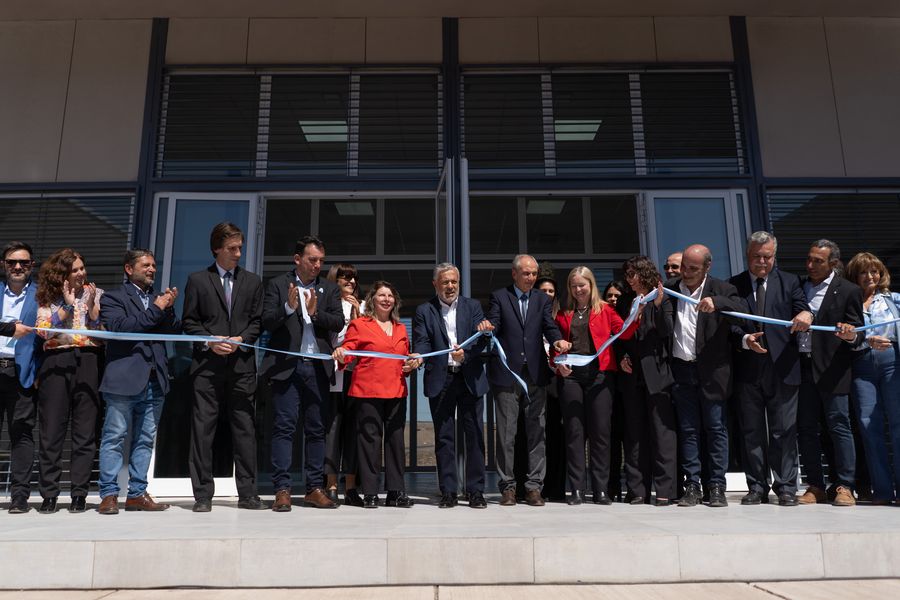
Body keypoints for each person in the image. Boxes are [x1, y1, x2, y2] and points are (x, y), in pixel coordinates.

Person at [182, 222, 265, 512]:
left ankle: (248, 494)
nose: (238, 253)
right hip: (207, 368)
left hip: (242, 367)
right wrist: (209, 342)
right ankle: (203, 495)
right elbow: (189, 322)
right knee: (203, 431)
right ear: (217, 248)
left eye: (241, 248)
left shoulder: (253, 282)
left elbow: (257, 321)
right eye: (232, 248)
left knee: (244, 430)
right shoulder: (197, 280)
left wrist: (242, 339)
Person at [478, 255, 570, 507]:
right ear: (514, 274)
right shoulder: (500, 296)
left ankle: (533, 488)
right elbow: (495, 323)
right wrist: (487, 326)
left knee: (536, 433)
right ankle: (507, 487)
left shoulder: (542, 299)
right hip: (507, 374)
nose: (531, 278)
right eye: (526, 273)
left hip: (536, 374)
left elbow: (549, 327)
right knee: (507, 434)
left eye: (534, 274)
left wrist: (558, 340)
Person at [728, 232, 812, 507]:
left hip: (783, 368)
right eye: (756, 257)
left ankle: (787, 487)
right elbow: (729, 324)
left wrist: (805, 314)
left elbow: (804, 309)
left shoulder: (790, 282)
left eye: (767, 256)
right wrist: (744, 339)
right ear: (747, 255)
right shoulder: (734, 284)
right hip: (748, 368)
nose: (762, 262)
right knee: (752, 431)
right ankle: (756, 487)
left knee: (784, 430)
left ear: (775, 256)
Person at [261, 235, 344, 512]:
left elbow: (338, 321)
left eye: (321, 260)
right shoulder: (276, 284)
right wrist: (289, 308)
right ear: (297, 259)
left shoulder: (329, 289)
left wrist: (315, 313)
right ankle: (282, 490)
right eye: (312, 260)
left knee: (316, 430)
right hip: (287, 366)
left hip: (317, 367)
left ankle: (314, 488)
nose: (317, 265)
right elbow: (266, 321)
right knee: (284, 428)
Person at [96, 249, 179, 515]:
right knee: (114, 437)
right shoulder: (113, 297)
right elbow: (123, 328)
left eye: (154, 265)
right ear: (129, 269)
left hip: (155, 379)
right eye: (146, 265)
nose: (152, 269)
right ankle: (109, 494)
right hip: (124, 379)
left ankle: (137, 493)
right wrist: (157, 309)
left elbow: (173, 332)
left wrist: (168, 309)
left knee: (145, 439)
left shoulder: (158, 299)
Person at [551, 267, 639, 505]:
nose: (578, 290)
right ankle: (577, 489)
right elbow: (553, 347)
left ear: (591, 285)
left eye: (583, 285)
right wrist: (558, 363)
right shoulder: (563, 314)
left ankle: (601, 489)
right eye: (574, 286)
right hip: (570, 376)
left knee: (601, 434)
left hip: (600, 376)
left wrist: (638, 310)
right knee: (574, 433)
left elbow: (626, 332)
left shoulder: (606, 310)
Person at [665, 244, 742, 508]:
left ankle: (717, 486)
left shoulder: (722, 289)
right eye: (684, 266)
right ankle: (693, 485)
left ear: (707, 268)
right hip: (681, 370)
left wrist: (717, 303)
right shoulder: (671, 290)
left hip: (712, 373)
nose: (686, 272)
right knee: (688, 430)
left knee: (715, 429)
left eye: (693, 269)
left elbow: (742, 309)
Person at [333, 281, 420, 509]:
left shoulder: (401, 328)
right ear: (372, 300)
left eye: (390, 296)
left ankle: (395, 492)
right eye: (381, 295)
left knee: (396, 443)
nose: (386, 299)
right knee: (369, 442)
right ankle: (370, 492)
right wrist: (342, 354)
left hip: (396, 391)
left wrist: (411, 364)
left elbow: (404, 357)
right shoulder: (360, 325)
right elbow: (349, 351)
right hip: (367, 391)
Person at [413, 263, 489, 509]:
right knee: (444, 438)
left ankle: (476, 491)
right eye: (445, 282)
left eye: (454, 282)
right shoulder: (424, 310)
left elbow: (481, 342)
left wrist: (465, 354)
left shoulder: (473, 307)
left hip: (469, 378)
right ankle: (448, 492)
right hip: (441, 379)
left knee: (475, 436)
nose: (450, 286)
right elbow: (423, 341)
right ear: (435, 284)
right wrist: (419, 356)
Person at [34, 248, 104, 513]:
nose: (80, 273)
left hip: (88, 359)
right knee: (52, 430)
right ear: (62, 273)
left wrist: (94, 312)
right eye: (74, 270)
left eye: (82, 268)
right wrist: (66, 306)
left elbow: (101, 334)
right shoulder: (47, 297)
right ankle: (49, 494)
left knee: (85, 432)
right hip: (57, 361)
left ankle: (79, 494)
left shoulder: (95, 293)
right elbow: (43, 331)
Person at [796, 240, 863, 507]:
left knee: (839, 426)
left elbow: (859, 334)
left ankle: (845, 485)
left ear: (833, 263)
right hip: (800, 367)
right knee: (807, 428)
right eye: (809, 259)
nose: (810, 265)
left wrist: (850, 335)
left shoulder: (849, 291)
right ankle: (814, 485)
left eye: (818, 261)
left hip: (833, 369)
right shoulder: (798, 286)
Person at [618, 256, 677, 506]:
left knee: (661, 434)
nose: (629, 279)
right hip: (633, 375)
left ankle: (665, 489)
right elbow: (619, 336)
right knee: (635, 434)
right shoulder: (624, 301)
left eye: (633, 274)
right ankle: (637, 490)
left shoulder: (662, 296)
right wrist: (622, 356)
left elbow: (667, 332)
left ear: (645, 273)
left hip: (658, 373)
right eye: (627, 275)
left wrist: (661, 306)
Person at [845, 252, 900, 505]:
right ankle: (883, 491)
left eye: (874, 271)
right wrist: (867, 339)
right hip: (862, 366)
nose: (870, 276)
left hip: (891, 364)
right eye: (864, 272)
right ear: (854, 276)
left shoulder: (894, 301)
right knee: (869, 427)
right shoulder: (848, 301)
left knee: (898, 426)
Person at [0, 241, 41, 514]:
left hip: (22, 372)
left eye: (23, 263)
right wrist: (8, 329)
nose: (17, 267)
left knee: (22, 434)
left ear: (31, 266)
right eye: (12, 262)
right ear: (4, 265)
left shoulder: (42, 296)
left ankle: (19, 497)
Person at [324, 262, 363, 506]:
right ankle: (330, 484)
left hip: (356, 374)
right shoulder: (327, 302)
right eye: (344, 277)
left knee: (353, 431)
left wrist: (358, 315)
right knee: (333, 429)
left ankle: (351, 487)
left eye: (352, 278)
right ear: (334, 280)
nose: (350, 281)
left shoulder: (363, 306)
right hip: (333, 372)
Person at [534, 276, 566, 502]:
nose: (547, 294)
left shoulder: (562, 317)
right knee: (534, 435)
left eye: (551, 291)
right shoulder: (529, 315)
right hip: (534, 379)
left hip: (556, 381)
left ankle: (555, 487)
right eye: (542, 290)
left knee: (555, 435)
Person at [602, 279, 627, 500]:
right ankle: (612, 485)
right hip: (607, 384)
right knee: (609, 438)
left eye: (617, 296)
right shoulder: (602, 317)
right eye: (609, 295)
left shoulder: (626, 319)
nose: (613, 299)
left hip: (628, 387)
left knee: (627, 437)